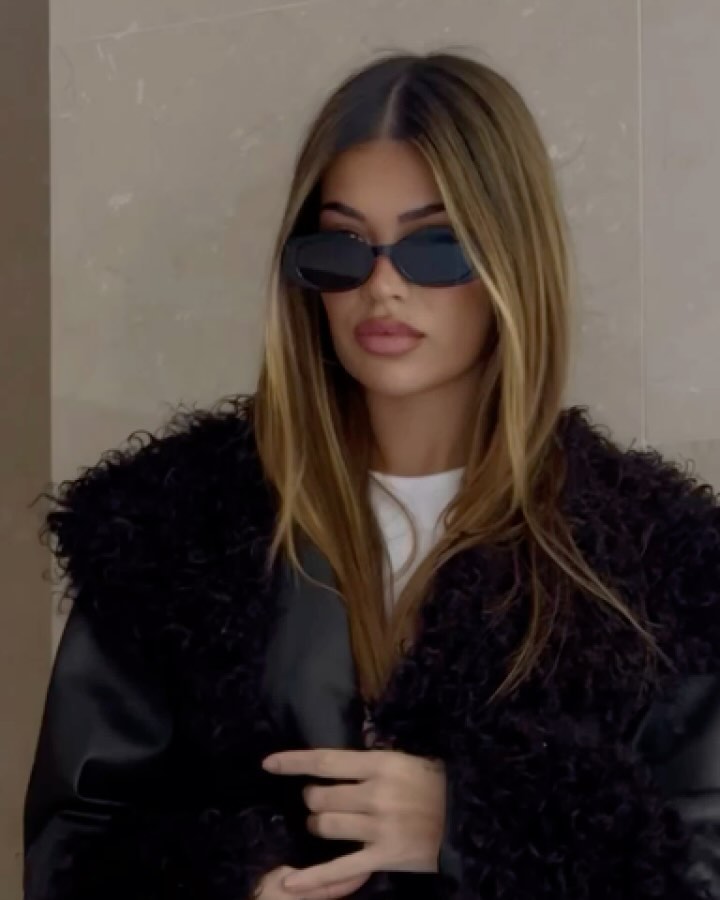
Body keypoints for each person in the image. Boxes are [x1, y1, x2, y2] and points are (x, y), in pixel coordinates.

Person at [24, 51, 720, 900]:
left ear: (513, 259)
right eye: (341, 248)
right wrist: (232, 883)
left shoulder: (656, 562)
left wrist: (470, 825)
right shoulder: (174, 532)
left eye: (437, 247)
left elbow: (700, 865)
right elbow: (73, 845)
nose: (383, 287)